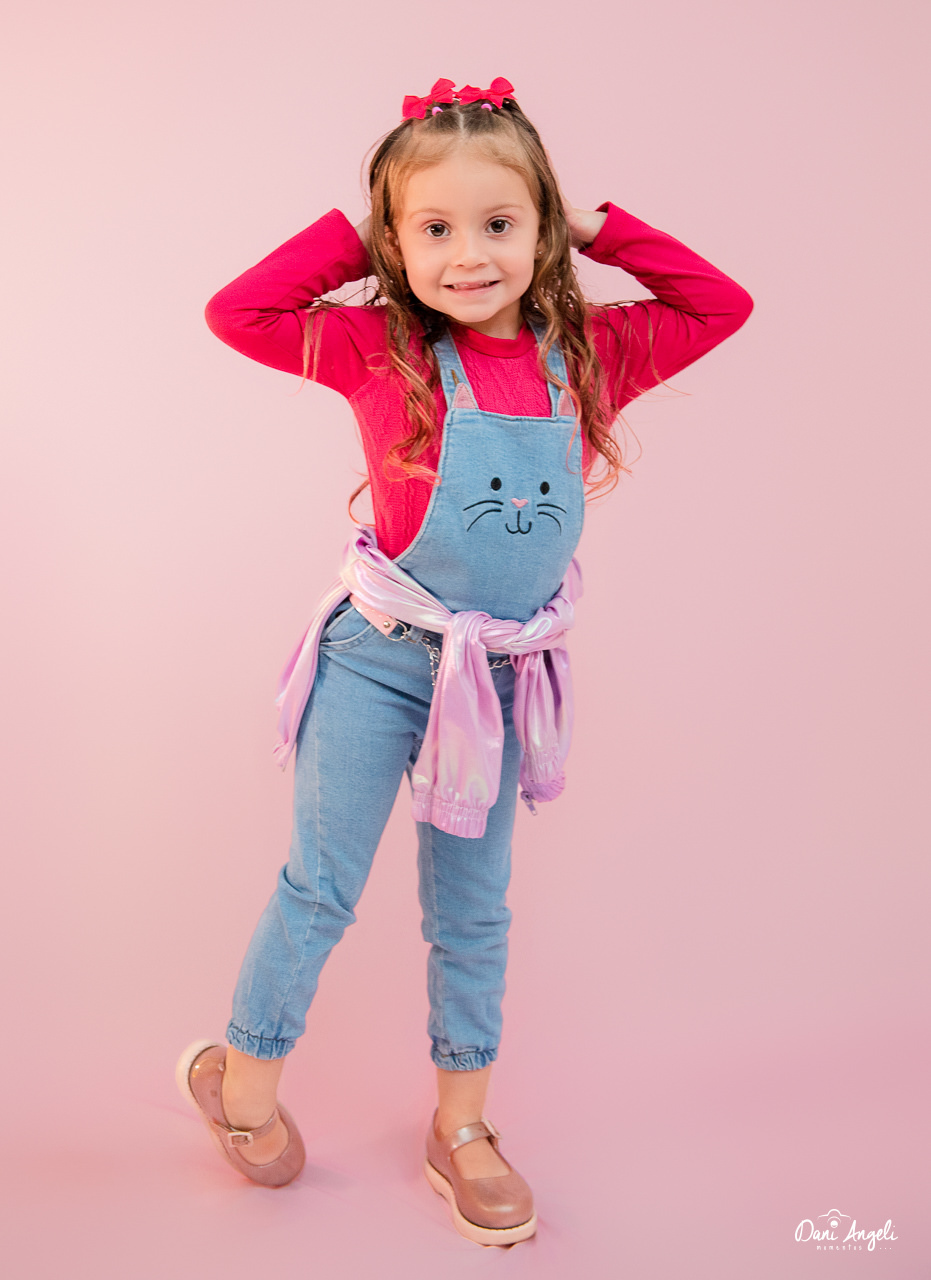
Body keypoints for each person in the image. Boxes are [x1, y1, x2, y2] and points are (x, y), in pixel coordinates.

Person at [175, 77, 753, 1245]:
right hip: (376, 660)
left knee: (474, 911)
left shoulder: (590, 354)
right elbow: (238, 312)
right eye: (433, 228)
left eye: (500, 222)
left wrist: (597, 225)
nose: (470, 254)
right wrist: (365, 231)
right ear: (395, 243)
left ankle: (463, 1126)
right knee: (320, 885)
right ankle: (242, 1080)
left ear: (541, 227)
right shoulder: (378, 347)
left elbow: (719, 303)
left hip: (489, 683)